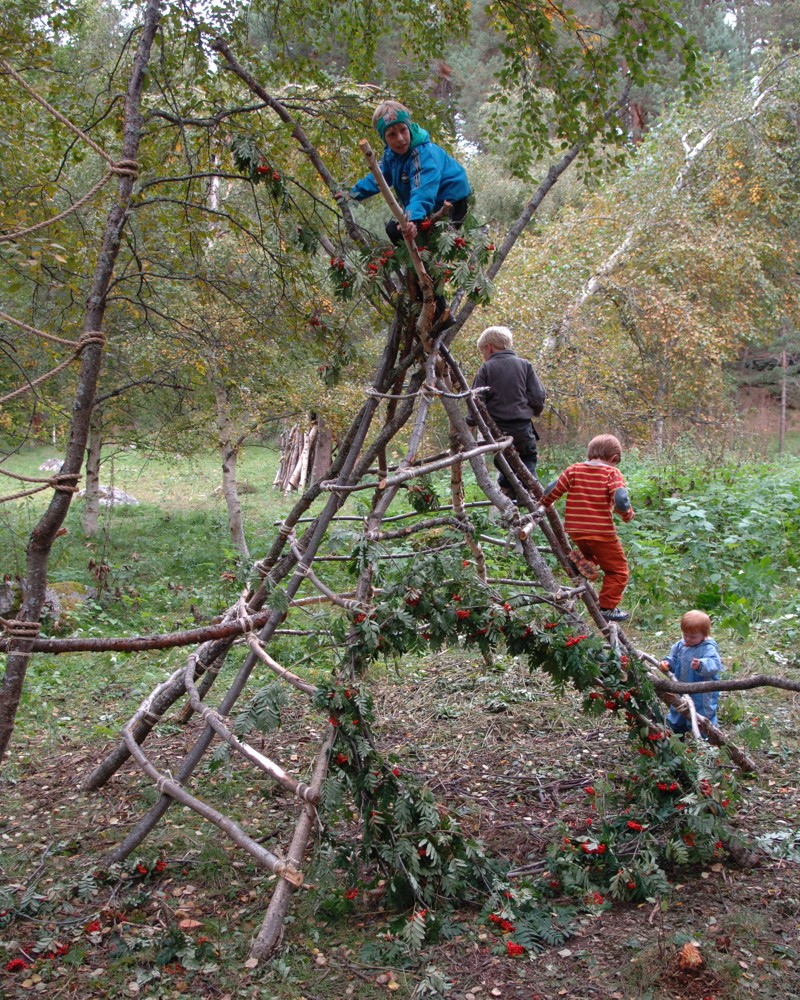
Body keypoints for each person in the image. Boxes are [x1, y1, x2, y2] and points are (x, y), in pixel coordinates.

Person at [335, 100, 472, 246]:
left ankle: (424, 263)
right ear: (384, 138)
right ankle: (413, 263)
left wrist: (412, 220)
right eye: (392, 134)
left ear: (409, 128)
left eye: (403, 130)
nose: (400, 138)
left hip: (451, 201)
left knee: (427, 241)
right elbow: (379, 177)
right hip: (426, 202)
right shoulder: (391, 155)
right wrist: (352, 193)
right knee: (394, 230)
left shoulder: (423, 153)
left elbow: (423, 190)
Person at [540, 434, 634, 622]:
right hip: (601, 532)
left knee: (593, 552)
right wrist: (627, 514)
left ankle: (584, 560)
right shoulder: (611, 473)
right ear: (614, 458)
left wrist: (544, 502)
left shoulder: (574, 469)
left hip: (576, 530)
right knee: (618, 570)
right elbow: (621, 499)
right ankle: (607, 607)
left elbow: (554, 487)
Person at [470, 326, 545, 493]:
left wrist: (471, 421)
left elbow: (476, 400)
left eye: (483, 352)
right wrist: (535, 411)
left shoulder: (486, 369)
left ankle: (510, 491)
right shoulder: (525, 365)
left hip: (499, 429)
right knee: (528, 458)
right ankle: (529, 492)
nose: (484, 357)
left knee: (503, 460)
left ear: (489, 347)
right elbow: (538, 395)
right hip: (523, 426)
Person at [659, 610, 723, 733]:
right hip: (680, 687)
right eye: (685, 635)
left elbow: (714, 664)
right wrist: (667, 663)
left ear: (704, 635)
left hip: (701, 693)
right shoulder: (680, 645)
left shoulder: (708, 648)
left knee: (702, 715)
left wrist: (701, 665)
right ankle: (676, 733)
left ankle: (706, 740)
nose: (687, 639)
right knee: (678, 709)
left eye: (693, 637)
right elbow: (674, 659)